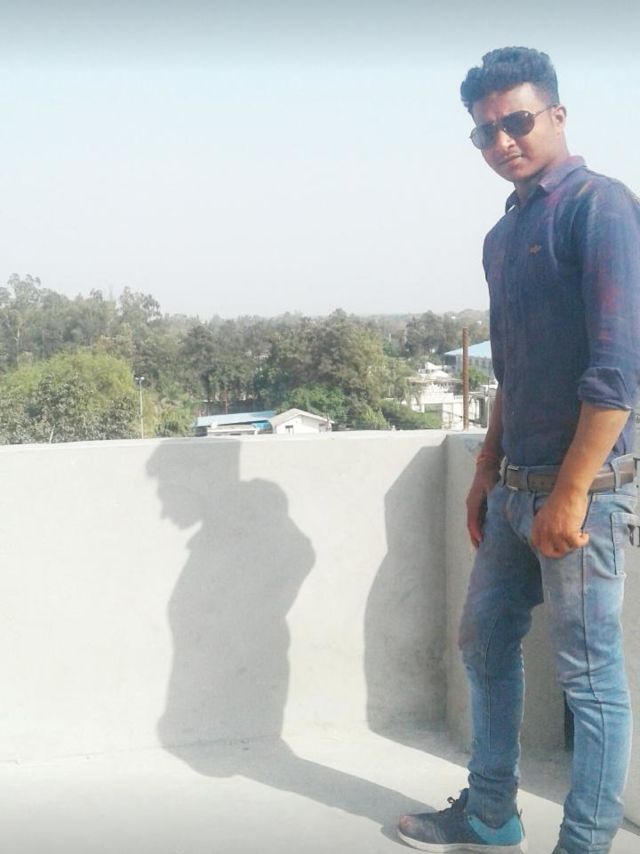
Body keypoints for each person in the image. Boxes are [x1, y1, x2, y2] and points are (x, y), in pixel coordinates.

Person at [398, 46, 640, 854]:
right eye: (485, 132)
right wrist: (484, 470)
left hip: (586, 493)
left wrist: (570, 494)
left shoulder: (601, 209)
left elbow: (617, 373)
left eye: (517, 121)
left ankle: (585, 843)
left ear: (557, 116)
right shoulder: (504, 235)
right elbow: (514, 369)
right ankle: (491, 813)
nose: (502, 141)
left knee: (590, 680)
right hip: (512, 489)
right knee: (484, 641)